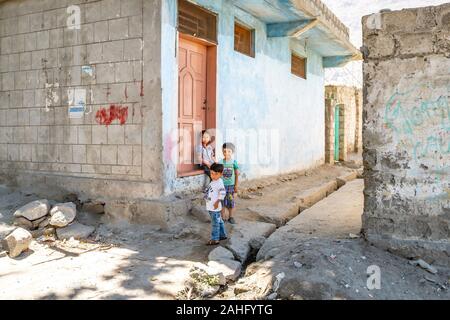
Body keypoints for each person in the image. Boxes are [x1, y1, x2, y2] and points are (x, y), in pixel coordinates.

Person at [204, 163, 227, 245]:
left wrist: (217, 202)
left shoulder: (219, 183)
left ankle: (215, 239)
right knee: (219, 221)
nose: (213, 175)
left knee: (215, 223)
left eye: (215, 174)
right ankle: (222, 235)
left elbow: (223, 193)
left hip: (214, 207)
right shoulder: (214, 181)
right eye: (211, 173)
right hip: (211, 206)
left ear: (221, 174)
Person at [219, 143, 240, 224]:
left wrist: (236, 186)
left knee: (231, 202)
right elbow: (218, 173)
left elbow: (237, 174)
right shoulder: (220, 162)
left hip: (231, 187)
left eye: (229, 151)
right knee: (222, 202)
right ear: (222, 152)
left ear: (232, 152)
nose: (226, 153)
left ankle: (231, 217)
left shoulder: (234, 162)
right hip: (222, 186)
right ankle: (223, 217)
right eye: (224, 151)